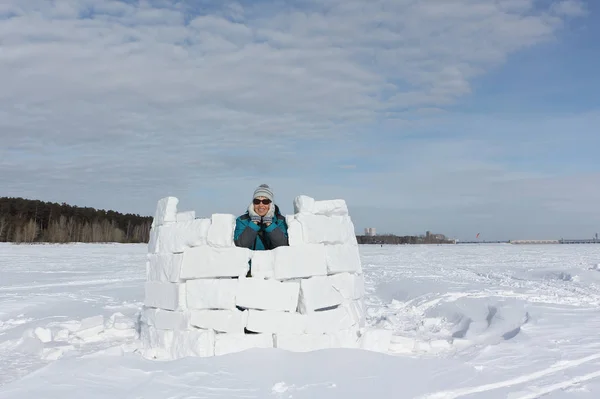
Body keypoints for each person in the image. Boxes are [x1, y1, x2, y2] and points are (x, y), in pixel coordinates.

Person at [234, 184, 289, 250]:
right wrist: (254, 222)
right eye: (257, 201)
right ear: (252, 204)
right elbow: (241, 245)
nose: (261, 205)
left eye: (265, 201)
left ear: (271, 205)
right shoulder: (242, 221)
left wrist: (269, 223)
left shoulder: (281, 221)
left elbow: (283, 245)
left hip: (273, 260)